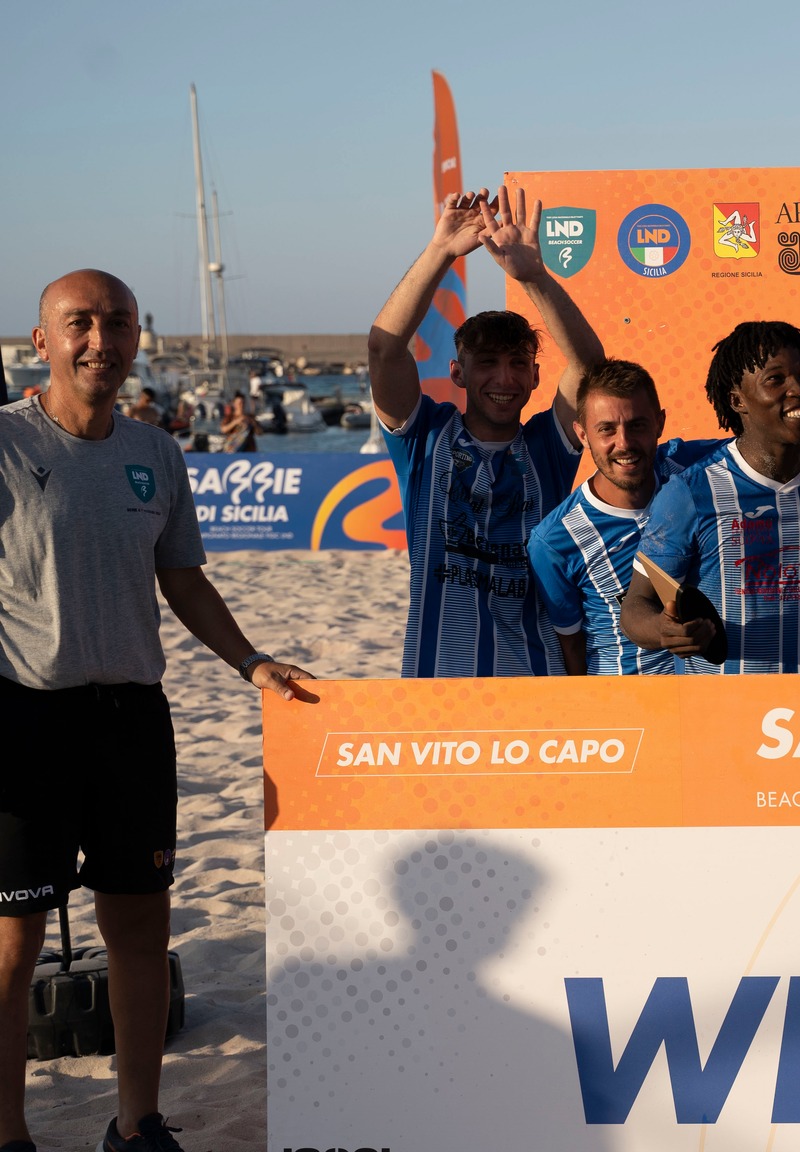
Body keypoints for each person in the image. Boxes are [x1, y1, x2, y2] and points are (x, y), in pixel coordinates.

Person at [0, 270, 313, 1152]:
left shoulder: (156, 452)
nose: (101, 339)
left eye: (119, 323)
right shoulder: (3, 445)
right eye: (81, 323)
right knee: (12, 947)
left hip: (133, 721)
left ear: (140, 338)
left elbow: (181, 578)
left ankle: (137, 1124)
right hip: (24, 720)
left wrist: (249, 662)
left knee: (138, 927)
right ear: (43, 341)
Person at [530, 302, 800, 674]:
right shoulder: (688, 490)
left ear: (658, 424)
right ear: (582, 434)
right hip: (691, 713)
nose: (624, 443)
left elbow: (780, 425)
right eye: (606, 429)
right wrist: (664, 630)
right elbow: (622, 617)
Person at [367, 186, 603, 677]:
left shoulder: (546, 445)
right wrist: (439, 253)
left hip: (536, 683)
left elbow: (590, 367)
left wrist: (533, 276)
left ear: (536, 377)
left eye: (519, 364)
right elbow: (385, 350)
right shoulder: (424, 436)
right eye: (488, 363)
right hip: (438, 683)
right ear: (458, 373)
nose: (505, 378)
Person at [621, 321, 800, 673]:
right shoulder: (690, 492)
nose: (798, 388)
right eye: (775, 379)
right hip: (721, 715)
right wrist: (663, 630)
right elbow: (637, 604)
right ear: (737, 400)